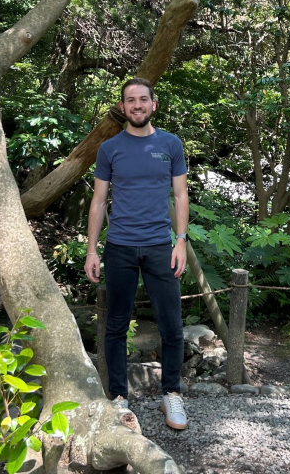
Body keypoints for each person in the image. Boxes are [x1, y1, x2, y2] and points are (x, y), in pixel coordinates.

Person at [84, 78, 189, 430]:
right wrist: (91, 250)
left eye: (143, 99)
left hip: (161, 246)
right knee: (115, 327)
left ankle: (171, 394)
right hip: (120, 247)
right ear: (123, 107)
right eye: (131, 100)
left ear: (153, 105)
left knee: (172, 326)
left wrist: (181, 241)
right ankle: (118, 399)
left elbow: (180, 196)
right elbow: (98, 201)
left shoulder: (170, 144)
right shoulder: (110, 148)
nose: (137, 105)